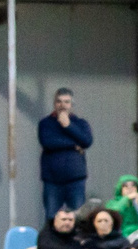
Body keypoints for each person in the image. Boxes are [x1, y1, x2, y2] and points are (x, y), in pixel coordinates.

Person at [36, 88, 95, 219]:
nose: (62, 105)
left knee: (78, 218)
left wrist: (68, 125)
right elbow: (48, 142)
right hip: (52, 181)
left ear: (71, 105)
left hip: (76, 180)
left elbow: (87, 141)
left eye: (66, 102)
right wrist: (74, 144)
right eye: (59, 102)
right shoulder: (45, 123)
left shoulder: (80, 123)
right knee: (52, 218)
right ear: (54, 104)